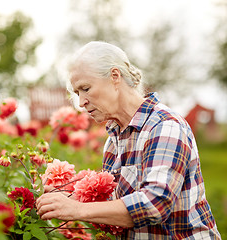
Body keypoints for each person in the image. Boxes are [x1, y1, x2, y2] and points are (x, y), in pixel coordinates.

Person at [36, 41, 221, 239]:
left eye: (86, 88)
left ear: (115, 77)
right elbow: (117, 203)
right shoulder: (114, 139)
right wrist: (68, 196)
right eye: (77, 93)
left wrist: (77, 209)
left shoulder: (164, 125)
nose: (81, 102)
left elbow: (155, 204)